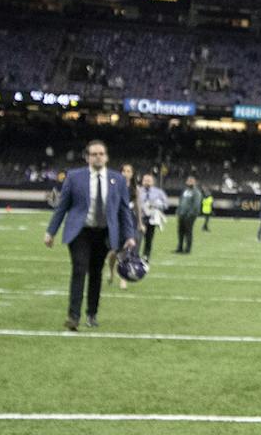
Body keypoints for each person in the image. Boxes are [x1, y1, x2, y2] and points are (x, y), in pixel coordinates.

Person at [43, 140, 136, 331]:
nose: (98, 157)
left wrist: (129, 235)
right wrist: (51, 231)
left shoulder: (117, 179)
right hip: (80, 231)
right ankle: (73, 316)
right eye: (94, 154)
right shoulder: (74, 177)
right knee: (79, 268)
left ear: (107, 157)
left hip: (104, 233)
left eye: (101, 153)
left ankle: (91, 313)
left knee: (95, 273)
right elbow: (63, 206)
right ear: (87, 157)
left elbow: (124, 210)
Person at [137, 172, 168, 258]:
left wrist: (155, 205)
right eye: (145, 180)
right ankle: (135, 256)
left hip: (152, 219)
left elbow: (166, 204)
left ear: (153, 182)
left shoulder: (159, 192)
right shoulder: (137, 191)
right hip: (140, 218)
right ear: (142, 181)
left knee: (149, 240)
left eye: (149, 180)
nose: (147, 182)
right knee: (137, 239)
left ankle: (146, 257)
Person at [176, 175, 200, 253]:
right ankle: (180, 247)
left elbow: (196, 204)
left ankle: (188, 249)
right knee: (180, 231)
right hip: (182, 214)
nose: (189, 182)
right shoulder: (185, 191)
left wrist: (191, 214)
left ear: (194, 182)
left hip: (189, 216)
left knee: (188, 231)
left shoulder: (196, 192)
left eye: (191, 181)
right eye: (188, 180)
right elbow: (181, 201)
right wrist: (179, 211)